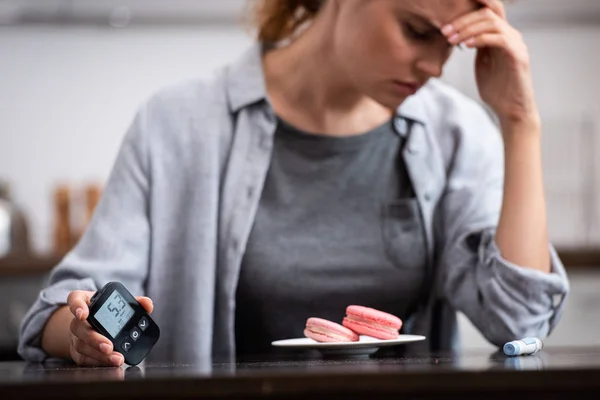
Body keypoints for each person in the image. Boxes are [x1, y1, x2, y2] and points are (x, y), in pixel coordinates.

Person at [19, 0, 569, 367]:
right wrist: (78, 336)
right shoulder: (176, 125)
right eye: (417, 30)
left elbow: (519, 323)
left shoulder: (459, 133)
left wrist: (520, 122)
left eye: (452, 44)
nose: (434, 65)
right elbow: (52, 315)